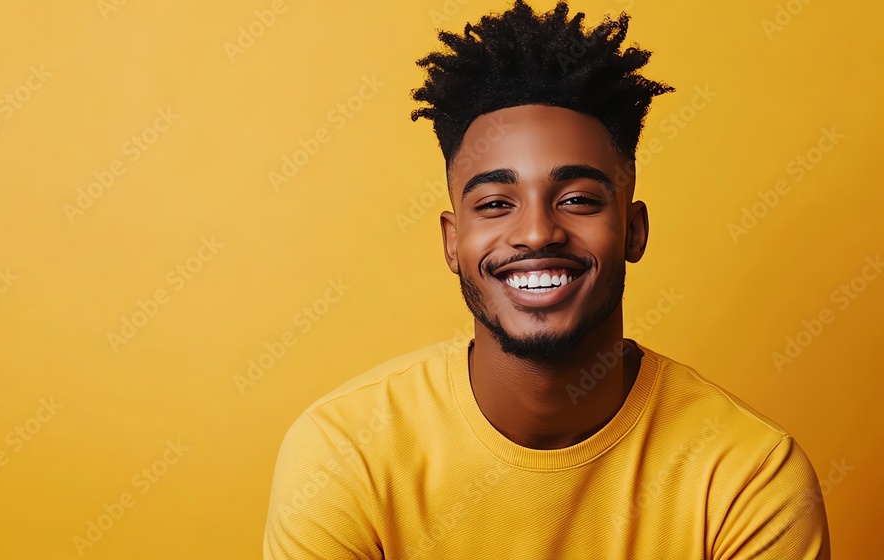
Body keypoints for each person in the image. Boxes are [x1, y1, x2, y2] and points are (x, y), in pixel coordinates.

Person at [263, 1, 830, 558]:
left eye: (578, 199)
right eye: (494, 203)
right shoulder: (343, 452)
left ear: (633, 232)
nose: (537, 232)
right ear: (451, 242)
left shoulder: (747, 475)